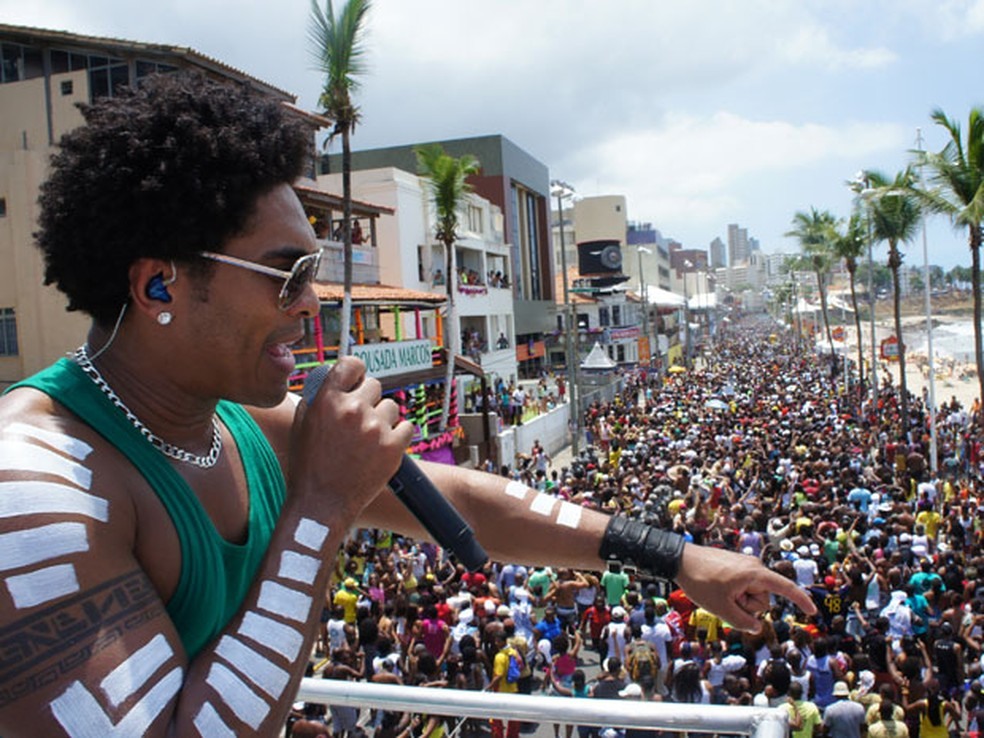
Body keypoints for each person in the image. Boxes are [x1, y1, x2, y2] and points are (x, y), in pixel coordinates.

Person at [0, 72, 813, 736]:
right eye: (286, 274)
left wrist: (674, 557)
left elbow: (459, 500)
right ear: (157, 285)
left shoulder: (230, 424)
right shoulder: (35, 486)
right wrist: (320, 505)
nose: (311, 303)